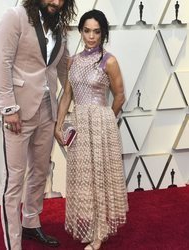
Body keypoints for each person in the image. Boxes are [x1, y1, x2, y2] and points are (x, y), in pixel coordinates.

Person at [0, 1, 76, 249]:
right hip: (18, 111)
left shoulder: (59, 24)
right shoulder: (15, 17)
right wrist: (8, 109)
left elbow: (62, 66)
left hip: (47, 110)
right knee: (14, 180)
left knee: (40, 171)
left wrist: (79, 95)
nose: (56, 3)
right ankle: (13, 244)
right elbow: (1, 62)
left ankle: (30, 222)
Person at [55, 9, 128, 250]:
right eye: (87, 31)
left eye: (97, 31)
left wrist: (107, 119)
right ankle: (94, 228)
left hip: (100, 126)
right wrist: (58, 125)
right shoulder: (73, 61)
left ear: (104, 33)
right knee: (84, 178)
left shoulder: (109, 60)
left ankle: (99, 234)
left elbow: (119, 96)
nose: (91, 36)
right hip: (79, 125)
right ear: (81, 32)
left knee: (100, 179)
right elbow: (67, 95)